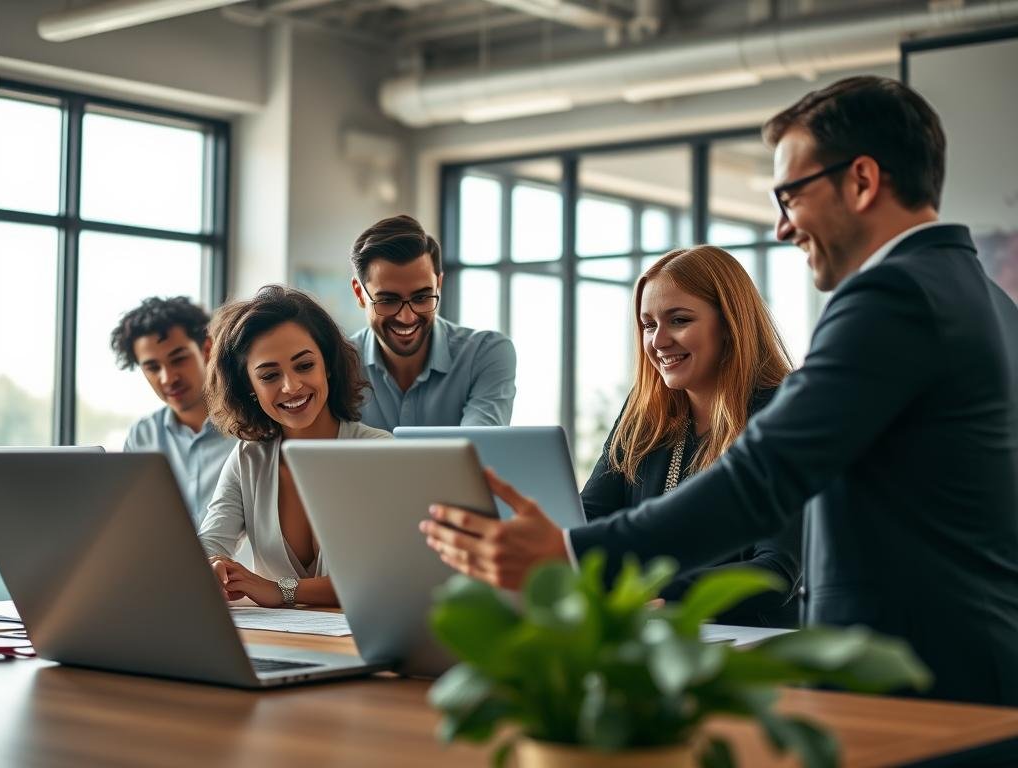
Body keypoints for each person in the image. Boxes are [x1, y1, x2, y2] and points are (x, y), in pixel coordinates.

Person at [420, 76, 1018, 706]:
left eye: (790, 196)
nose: (784, 228)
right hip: (973, 663)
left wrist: (570, 554)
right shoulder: (988, 300)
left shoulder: (890, 296)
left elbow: (761, 479)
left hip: (923, 683)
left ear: (862, 181)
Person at [581, 245, 800, 627]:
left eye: (678, 320)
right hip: (652, 633)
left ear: (730, 324)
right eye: (649, 325)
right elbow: (588, 517)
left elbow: (774, 571)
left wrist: (657, 593)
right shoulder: (644, 413)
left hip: (754, 646)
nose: (659, 341)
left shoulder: (786, 412)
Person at [199, 285, 389, 608]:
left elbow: (384, 579)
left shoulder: (381, 453)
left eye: (304, 366)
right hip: (277, 643)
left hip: (365, 643)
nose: (291, 386)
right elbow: (208, 544)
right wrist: (214, 566)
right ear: (250, 387)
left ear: (327, 364)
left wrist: (280, 589)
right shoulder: (249, 458)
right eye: (269, 375)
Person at [349, 214, 517, 431]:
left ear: (438, 284)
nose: (407, 317)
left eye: (421, 298)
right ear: (360, 293)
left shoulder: (485, 353)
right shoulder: (338, 363)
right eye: (388, 300)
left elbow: (480, 449)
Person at [110, 296, 236, 527]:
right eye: (152, 367)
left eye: (179, 359)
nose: (168, 378)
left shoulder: (248, 427)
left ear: (207, 349)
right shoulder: (143, 436)